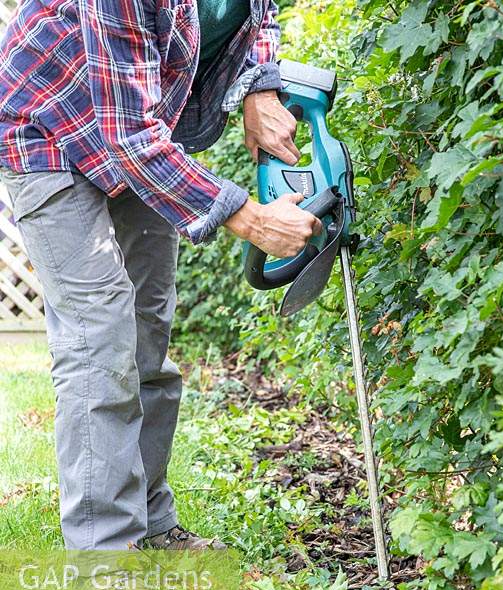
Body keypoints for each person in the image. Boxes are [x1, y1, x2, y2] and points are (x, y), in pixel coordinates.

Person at [0, 1, 321, 551]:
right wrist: (253, 219)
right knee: (99, 335)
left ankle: (151, 522)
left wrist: (259, 88)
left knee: (148, 328)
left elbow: (260, 17)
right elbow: (128, 139)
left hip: (143, 129)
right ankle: (104, 555)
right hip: (47, 130)